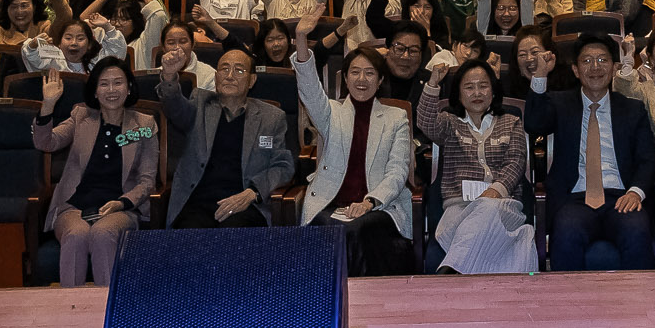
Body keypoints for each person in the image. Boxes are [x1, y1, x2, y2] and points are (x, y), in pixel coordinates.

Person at [535, 35, 655, 269]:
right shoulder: (559, 104)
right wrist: (540, 76)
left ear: (614, 68)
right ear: (575, 69)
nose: (595, 67)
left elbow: (647, 159)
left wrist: (635, 192)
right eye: (587, 61)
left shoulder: (632, 109)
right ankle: (567, 304)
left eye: (603, 60)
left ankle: (639, 303)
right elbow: (534, 123)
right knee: (567, 231)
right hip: (574, 198)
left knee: (636, 230)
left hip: (621, 196)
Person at [293, 44, 417, 275]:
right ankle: (330, 298)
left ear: (380, 80)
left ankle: (357, 297)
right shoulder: (331, 111)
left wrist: (370, 202)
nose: (362, 79)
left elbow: (398, 170)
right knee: (329, 227)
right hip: (332, 201)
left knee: (358, 229)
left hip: (380, 206)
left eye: (370, 73)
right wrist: (301, 39)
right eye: (355, 72)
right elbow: (309, 89)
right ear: (346, 78)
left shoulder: (395, 117)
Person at [33, 57, 157, 287]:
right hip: (75, 207)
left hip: (119, 209)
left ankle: (106, 312)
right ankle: (71, 311)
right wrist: (48, 105)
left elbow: (147, 180)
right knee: (77, 235)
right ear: (95, 91)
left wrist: (121, 203)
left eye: (118, 83)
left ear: (129, 88)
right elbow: (46, 143)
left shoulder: (144, 126)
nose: (111, 90)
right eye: (104, 84)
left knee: (102, 234)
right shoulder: (81, 117)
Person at [416, 52, 535, 273]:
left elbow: (516, 161)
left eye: (483, 86)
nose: (477, 93)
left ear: (493, 90)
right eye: (469, 87)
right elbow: (425, 122)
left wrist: (496, 191)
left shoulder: (512, 122)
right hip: (459, 207)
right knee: (503, 238)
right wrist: (433, 83)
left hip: (502, 205)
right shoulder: (449, 124)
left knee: (488, 208)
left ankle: (451, 271)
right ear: (458, 94)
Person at [157, 43, 293, 228]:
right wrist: (170, 76)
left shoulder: (271, 118)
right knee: (190, 239)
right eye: (224, 69)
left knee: (234, 236)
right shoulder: (199, 103)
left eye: (239, 71)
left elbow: (283, 166)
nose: (229, 76)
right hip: (198, 203)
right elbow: (174, 108)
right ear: (215, 76)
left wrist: (253, 192)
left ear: (252, 80)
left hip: (244, 205)